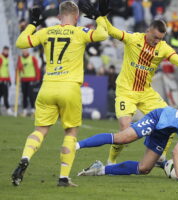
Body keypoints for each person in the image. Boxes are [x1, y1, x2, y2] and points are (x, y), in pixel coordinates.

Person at [79, 0, 178, 165]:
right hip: (126, 91)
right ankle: (111, 161)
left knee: (171, 120)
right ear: (148, 30)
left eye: (160, 39)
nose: (156, 41)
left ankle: (161, 156)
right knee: (125, 129)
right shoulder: (133, 39)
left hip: (146, 92)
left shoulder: (163, 47)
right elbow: (112, 31)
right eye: (155, 37)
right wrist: (101, 17)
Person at [11, 0, 109, 187]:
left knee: (40, 130)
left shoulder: (46, 32)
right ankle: (64, 177)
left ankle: (25, 157)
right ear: (77, 17)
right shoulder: (80, 32)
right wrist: (99, 17)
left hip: (47, 87)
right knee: (71, 132)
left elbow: (20, 42)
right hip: (69, 87)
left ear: (58, 16)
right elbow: (103, 34)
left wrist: (32, 24)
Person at [76, 106, 178, 181]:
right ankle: (76, 145)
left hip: (165, 130)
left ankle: (99, 170)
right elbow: (177, 151)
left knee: (144, 168)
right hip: (159, 118)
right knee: (122, 138)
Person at [16, 49, 41, 116]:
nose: (24, 52)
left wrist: (37, 78)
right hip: (23, 80)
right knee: (24, 95)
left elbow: (37, 68)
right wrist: (16, 79)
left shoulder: (32, 58)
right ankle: (25, 111)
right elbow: (17, 70)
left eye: (26, 50)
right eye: (23, 51)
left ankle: (33, 110)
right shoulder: (20, 59)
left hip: (31, 80)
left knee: (31, 95)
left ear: (28, 51)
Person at [0, 46, 13, 115]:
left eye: (7, 51)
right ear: (3, 50)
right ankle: (8, 109)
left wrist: (9, 80)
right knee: (5, 95)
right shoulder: (1, 58)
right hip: (1, 81)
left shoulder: (6, 58)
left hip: (5, 80)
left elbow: (6, 70)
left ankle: (7, 109)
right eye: (5, 50)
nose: (6, 52)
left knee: (4, 95)